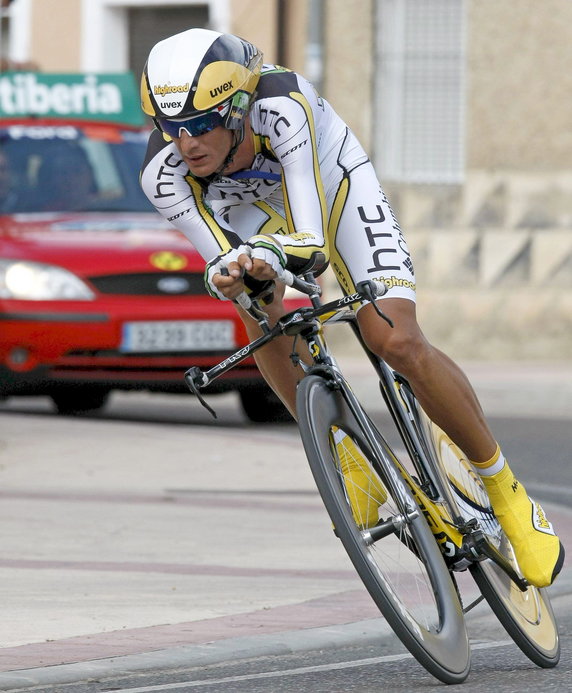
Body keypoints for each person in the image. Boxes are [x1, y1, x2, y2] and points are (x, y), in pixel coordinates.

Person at [140, 28, 563, 588]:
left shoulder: (283, 107)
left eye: (200, 124)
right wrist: (239, 274)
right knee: (255, 306)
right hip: (247, 215)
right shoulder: (161, 174)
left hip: (330, 185)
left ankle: (506, 492)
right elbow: (220, 261)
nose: (185, 142)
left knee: (395, 339)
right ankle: (343, 454)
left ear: (238, 109)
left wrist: (281, 255)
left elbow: (311, 246)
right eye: (170, 128)